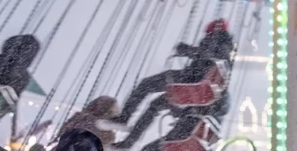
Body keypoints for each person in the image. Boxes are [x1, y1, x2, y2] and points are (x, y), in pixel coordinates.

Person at [100, 19, 235, 142]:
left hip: (192, 79)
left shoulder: (219, 40)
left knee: (146, 85)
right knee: (155, 105)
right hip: (194, 82)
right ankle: (128, 142)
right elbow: (212, 57)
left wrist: (188, 50)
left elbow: (209, 55)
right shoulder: (224, 43)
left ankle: (124, 120)